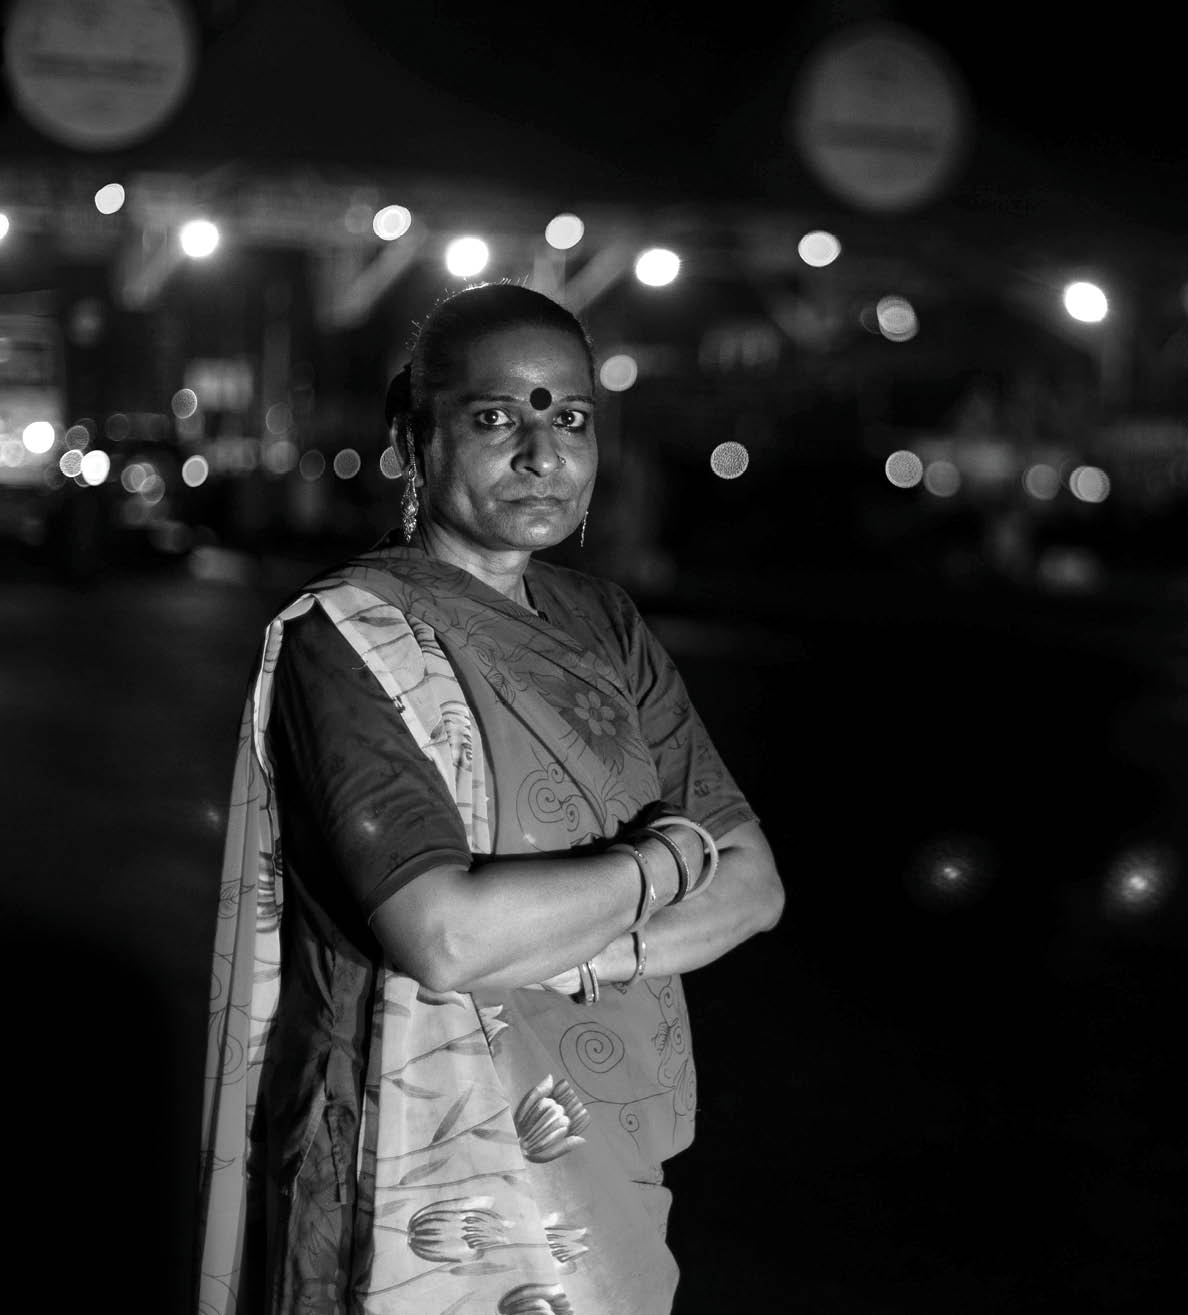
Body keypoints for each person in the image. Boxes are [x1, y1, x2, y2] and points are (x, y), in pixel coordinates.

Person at [196, 282, 784, 1315]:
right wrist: (665, 862)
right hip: (408, 1164)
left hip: (595, 1137)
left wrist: (595, 952)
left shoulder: (603, 621)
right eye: (495, 416)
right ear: (412, 440)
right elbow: (446, 935)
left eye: (569, 417)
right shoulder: (351, 639)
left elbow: (758, 888)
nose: (542, 452)